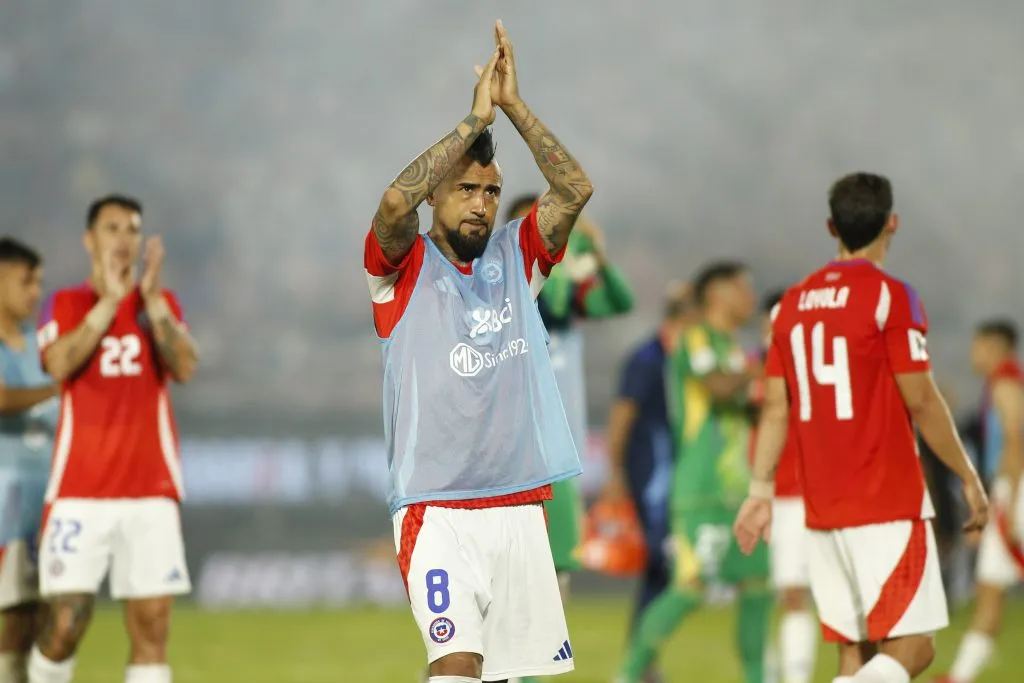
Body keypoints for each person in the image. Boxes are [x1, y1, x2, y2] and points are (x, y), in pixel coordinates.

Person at [364, 21, 593, 683]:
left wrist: (514, 107)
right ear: (437, 194)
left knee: (505, 676)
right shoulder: (400, 268)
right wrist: (476, 119)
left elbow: (574, 191)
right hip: (435, 508)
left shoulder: (518, 257)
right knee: (456, 663)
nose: (482, 204)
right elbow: (393, 202)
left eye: (491, 191)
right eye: (466, 189)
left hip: (518, 503)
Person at [734, 171, 988, 683]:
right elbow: (922, 399)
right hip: (885, 501)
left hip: (823, 508)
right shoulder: (890, 296)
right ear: (892, 223)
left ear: (832, 227)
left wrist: (760, 490)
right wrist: (967, 475)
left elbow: (776, 409)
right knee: (914, 649)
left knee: (856, 654)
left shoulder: (789, 307)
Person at [29, 195, 199, 683]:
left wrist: (152, 303)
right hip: (79, 491)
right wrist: (107, 303)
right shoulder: (66, 303)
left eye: (132, 229)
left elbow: (185, 366)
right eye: (112, 228)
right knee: (65, 624)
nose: (123, 239)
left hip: (151, 491)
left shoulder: (160, 305)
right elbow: (58, 363)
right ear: (89, 239)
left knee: (152, 627)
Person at [619, 261, 769, 683]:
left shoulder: (735, 349)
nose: (750, 298)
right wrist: (764, 365)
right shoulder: (696, 339)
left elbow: (747, 407)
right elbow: (718, 386)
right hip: (700, 490)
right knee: (690, 587)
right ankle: (628, 674)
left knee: (758, 585)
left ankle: (758, 677)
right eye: (743, 289)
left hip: (738, 491)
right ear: (718, 294)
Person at [504, 194, 634, 600]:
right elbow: (553, 300)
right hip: (521, 442)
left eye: (551, 225)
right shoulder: (506, 289)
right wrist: (561, 259)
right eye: (534, 226)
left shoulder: (567, 291)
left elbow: (621, 301)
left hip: (560, 443)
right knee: (516, 565)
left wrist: (598, 255)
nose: (545, 234)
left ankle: (539, 638)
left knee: (559, 564)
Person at [599, 281, 694, 683]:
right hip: (651, 476)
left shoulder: (682, 358)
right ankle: (638, 663)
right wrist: (616, 472)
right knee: (662, 563)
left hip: (674, 474)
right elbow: (622, 415)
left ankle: (642, 660)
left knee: (661, 570)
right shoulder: (647, 358)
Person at [933, 320, 1022, 683]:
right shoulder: (997, 384)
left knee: (991, 584)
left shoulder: (1006, 384)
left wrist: (1010, 505)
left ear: (993, 347)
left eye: (977, 346)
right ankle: (960, 675)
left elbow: (1015, 441)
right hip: (1005, 490)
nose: (972, 354)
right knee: (990, 586)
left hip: (1015, 491)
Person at [750, 289, 817, 683]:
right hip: (755, 495)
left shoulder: (806, 367)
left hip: (794, 496)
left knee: (793, 592)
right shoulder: (752, 367)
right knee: (759, 595)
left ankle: (796, 676)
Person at [0, 238, 58, 683]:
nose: (36, 292)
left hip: (43, 494)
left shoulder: (39, 346)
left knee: (37, 613)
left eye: (38, 282)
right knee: (13, 610)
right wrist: (60, 386)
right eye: (25, 281)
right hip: (6, 497)